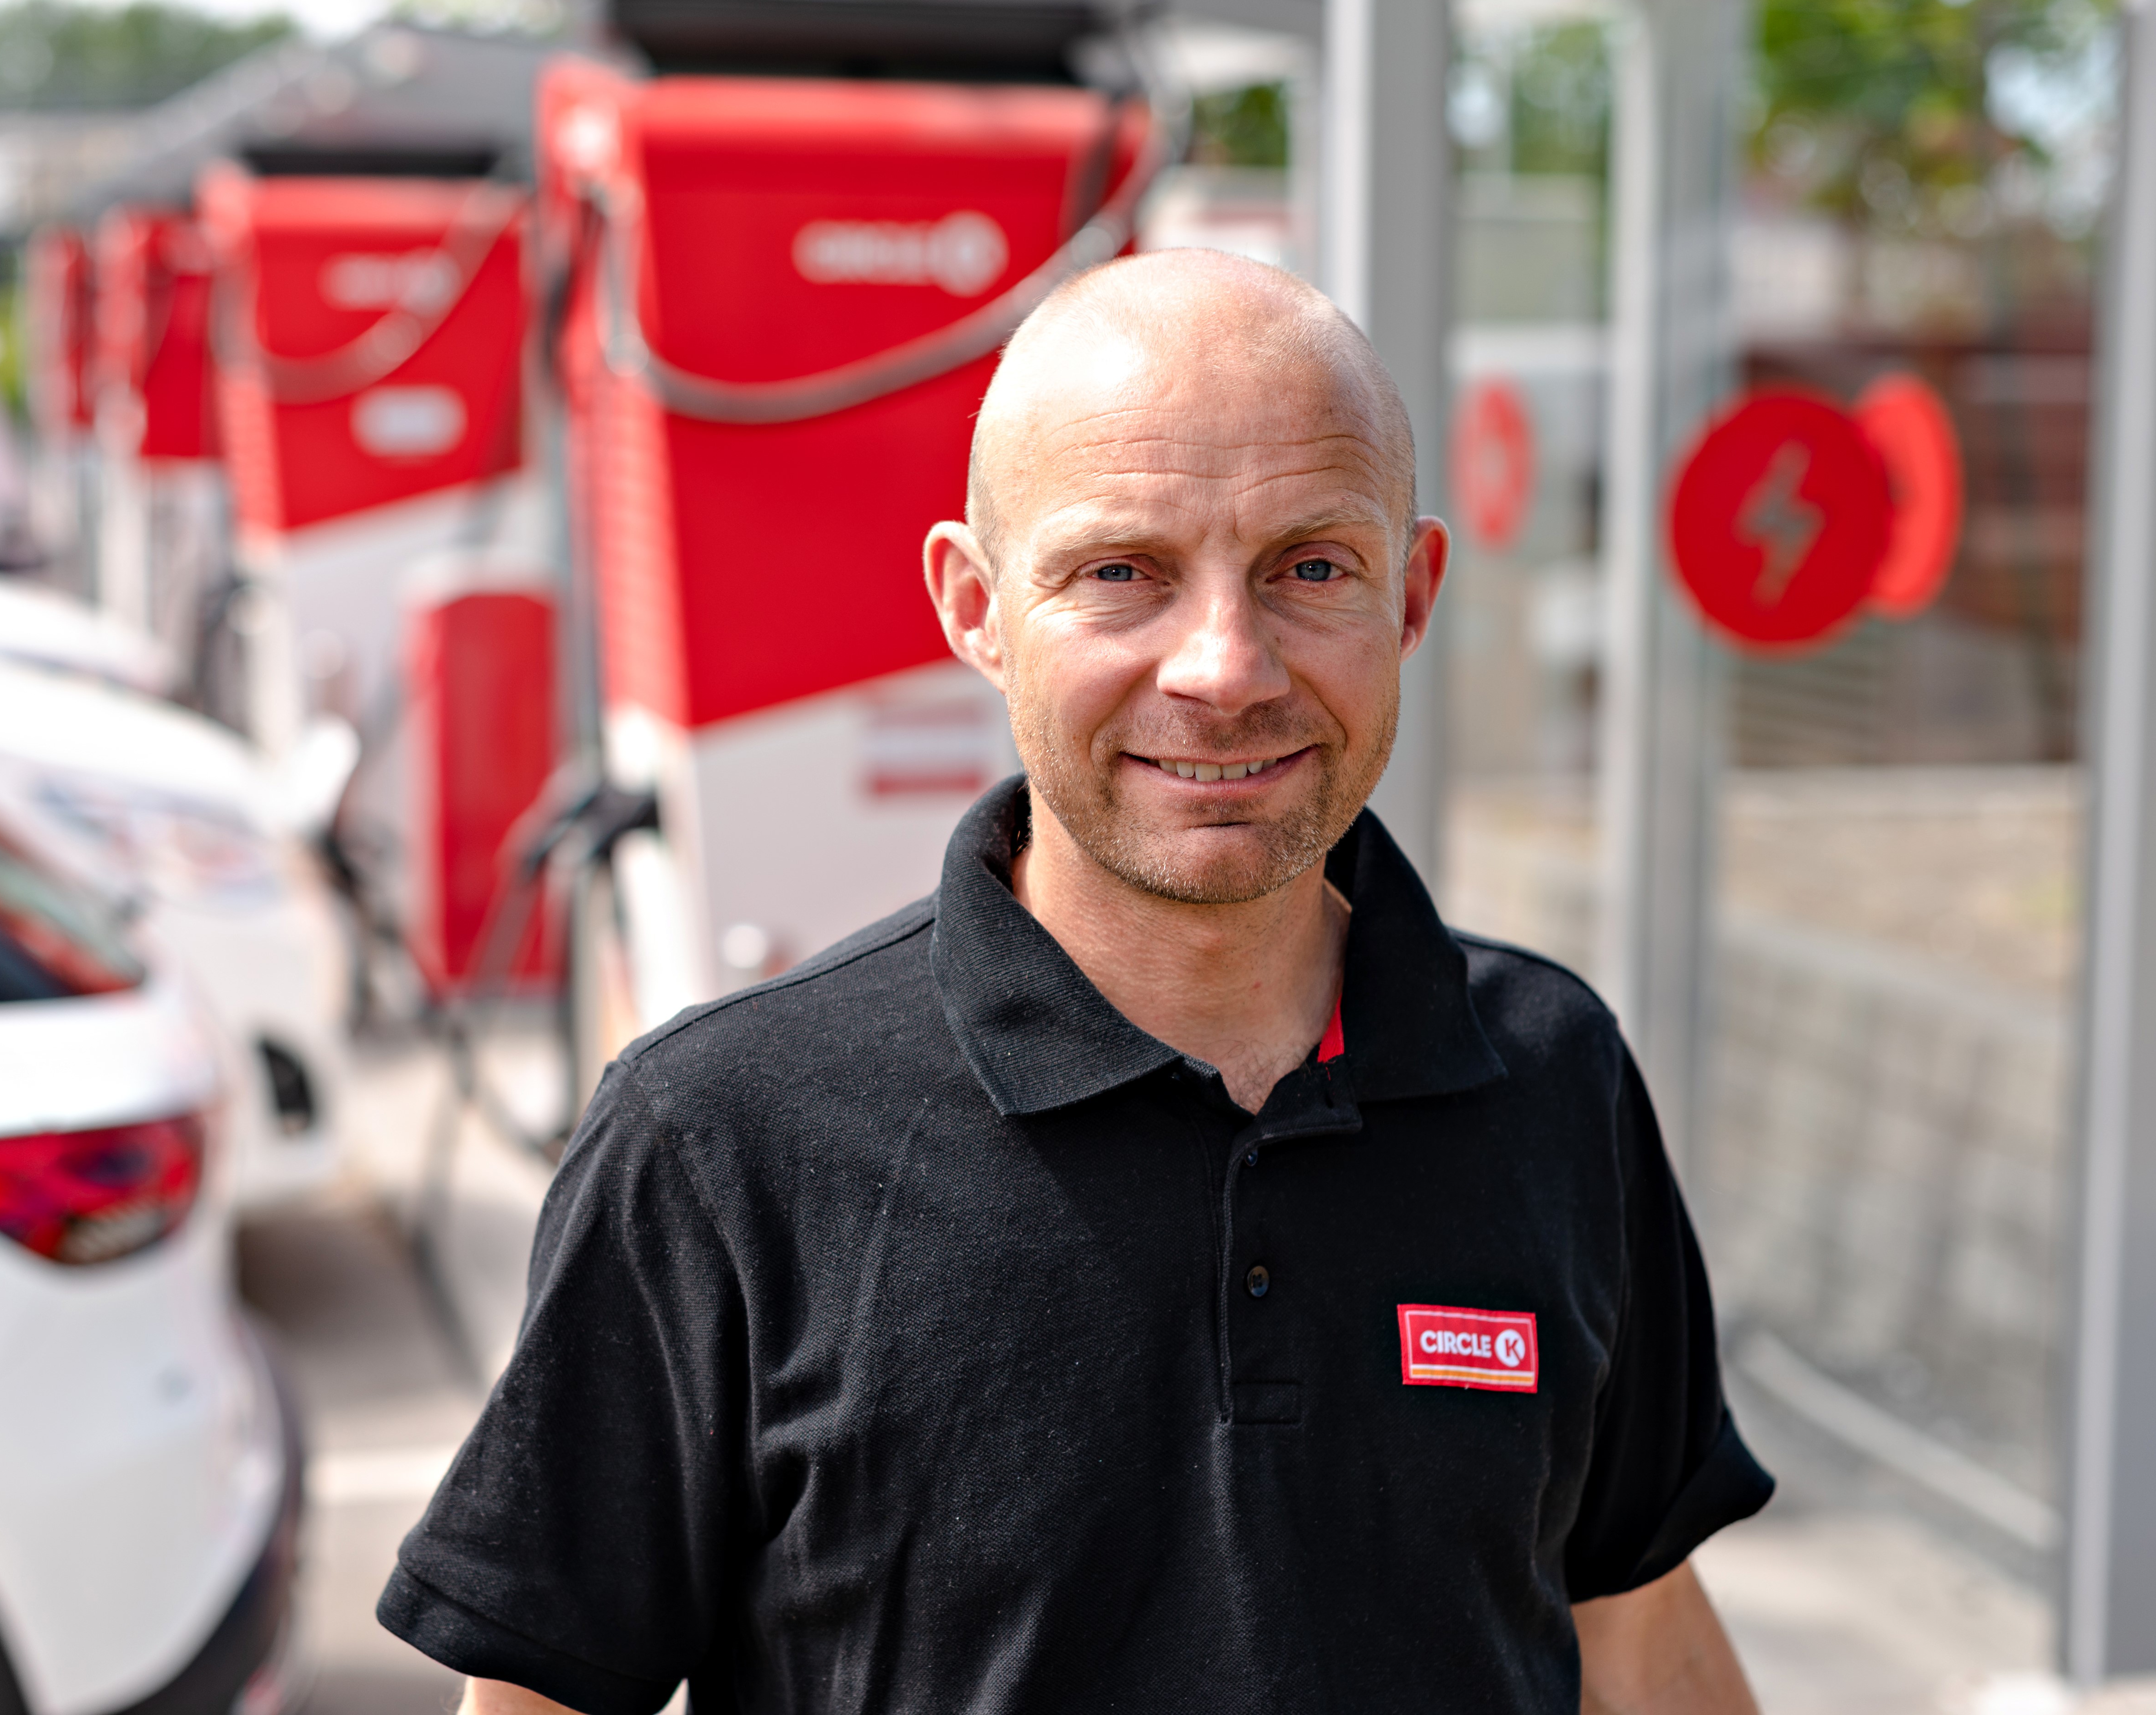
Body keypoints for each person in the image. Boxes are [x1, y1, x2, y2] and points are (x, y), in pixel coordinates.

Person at [380, 249, 1773, 1713]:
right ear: (975, 607)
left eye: (1311, 567)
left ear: (1412, 594)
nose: (1225, 668)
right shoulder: (720, 1138)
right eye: (1122, 574)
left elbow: (1635, 1622)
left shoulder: (1552, 1075)